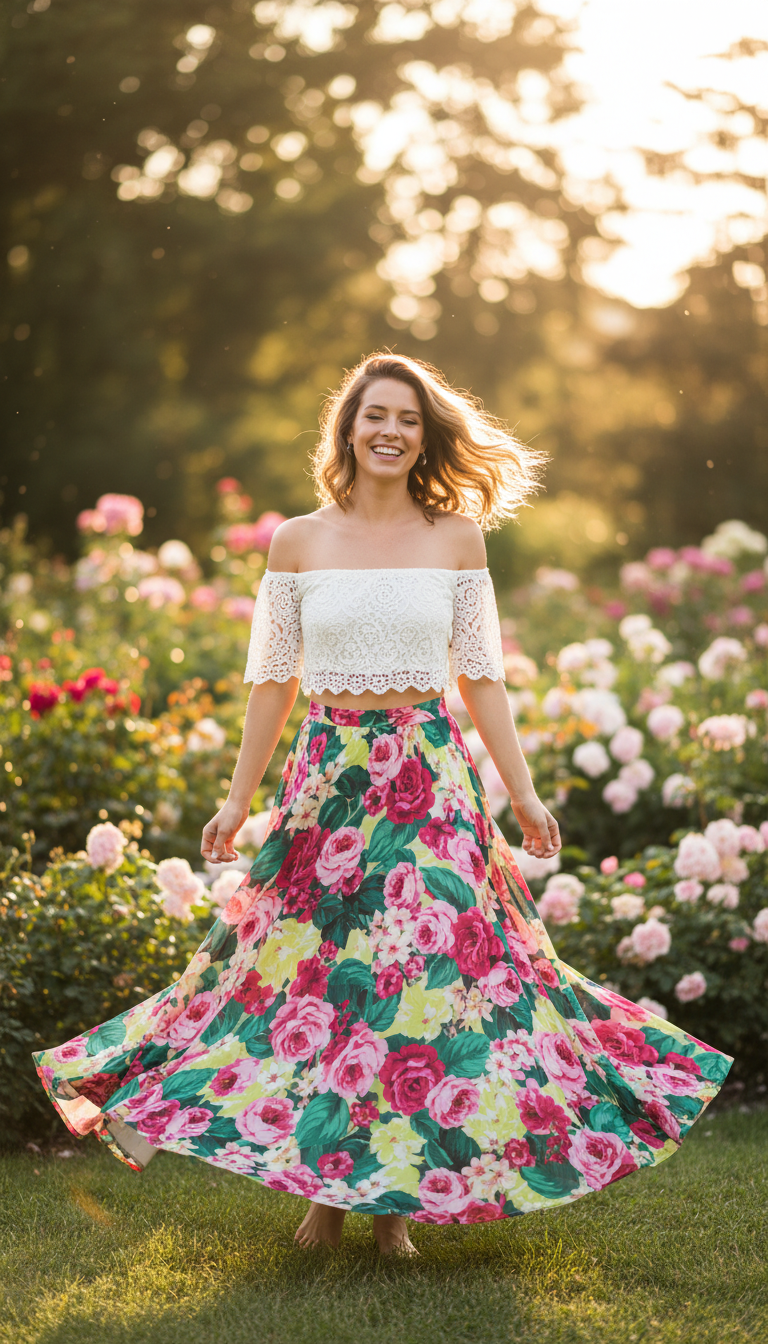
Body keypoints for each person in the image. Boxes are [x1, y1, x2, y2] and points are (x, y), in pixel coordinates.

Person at [33, 353, 731, 1257]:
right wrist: (236, 800)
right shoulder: (297, 541)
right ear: (349, 429)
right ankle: (328, 1203)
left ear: (424, 434)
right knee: (316, 984)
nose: (391, 432)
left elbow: (482, 678)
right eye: (376, 417)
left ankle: (388, 1214)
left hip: (429, 777)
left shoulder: (457, 538)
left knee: (421, 981)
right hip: (326, 782)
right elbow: (271, 685)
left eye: (408, 418)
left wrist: (521, 794)